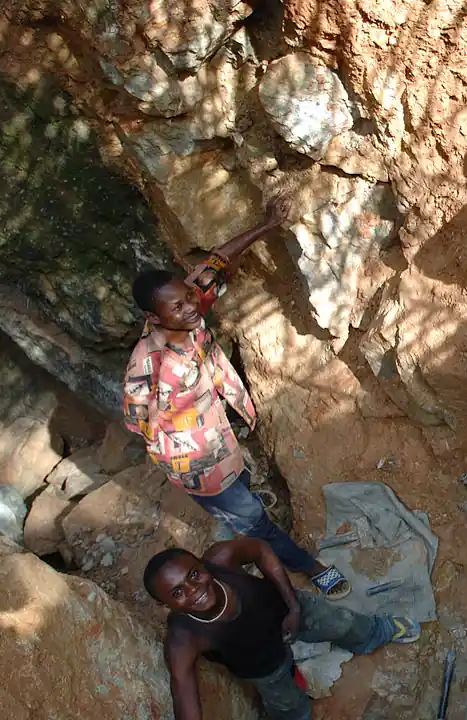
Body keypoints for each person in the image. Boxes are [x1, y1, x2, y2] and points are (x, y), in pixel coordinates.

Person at [121, 198, 350, 599]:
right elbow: (139, 422)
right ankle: (310, 568)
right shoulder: (149, 368)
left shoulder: (184, 306)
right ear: (155, 318)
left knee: (243, 484)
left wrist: (267, 225)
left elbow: (217, 262)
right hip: (199, 464)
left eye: (189, 297)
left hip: (219, 433)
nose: (192, 306)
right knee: (254, 521)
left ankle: (243, 507)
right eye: (179, 306)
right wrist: (181, 446)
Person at [144, 539, 421, 720]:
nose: (195, 590)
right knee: (288, 708)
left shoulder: (222, 558)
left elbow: (262, 551)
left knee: (345, 623)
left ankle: (379, 632)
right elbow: (185, 698)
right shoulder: (183, 638)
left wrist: (293, 606)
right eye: (178, 592)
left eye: (194, 575)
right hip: (262, 666)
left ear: (202, 564)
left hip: (288, 613)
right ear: (164, 604)